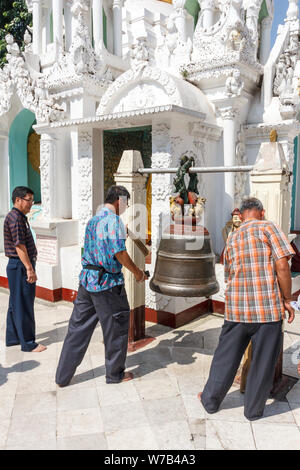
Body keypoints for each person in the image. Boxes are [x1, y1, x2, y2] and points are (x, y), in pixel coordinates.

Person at [198, 197, 295, 421]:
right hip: (267, 310)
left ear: (241, 216)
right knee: (263, 362)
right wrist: (287, 298)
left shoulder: (232, 236)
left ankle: (210, 401)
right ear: (261, 212)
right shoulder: (268, 227)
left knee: (225, 357)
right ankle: (253, 411)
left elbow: (229, 274)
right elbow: (282, 265)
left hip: (236, 310)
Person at [55, 185, 147, 386]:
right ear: (120, 201)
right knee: (116, 329)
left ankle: (62, 376)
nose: (126, 207)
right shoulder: (114, 221)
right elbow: (119, 253)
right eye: (126, 203)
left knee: (77, 329)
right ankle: (115, 374)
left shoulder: (93, 220)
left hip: (87, 282)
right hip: (107, 285)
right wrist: (138, 273)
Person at [3, 186, 46, 353]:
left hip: (17, 266)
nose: (31, 205)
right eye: (29, 200)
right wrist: (29, 268)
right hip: (20, 266)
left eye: (32, 201)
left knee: (16, 303)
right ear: (18, 200)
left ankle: (13, 338)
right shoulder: (16, 219)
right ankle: (28, 343)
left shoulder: (19, 217)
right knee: (24, 304)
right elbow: (19, 245)